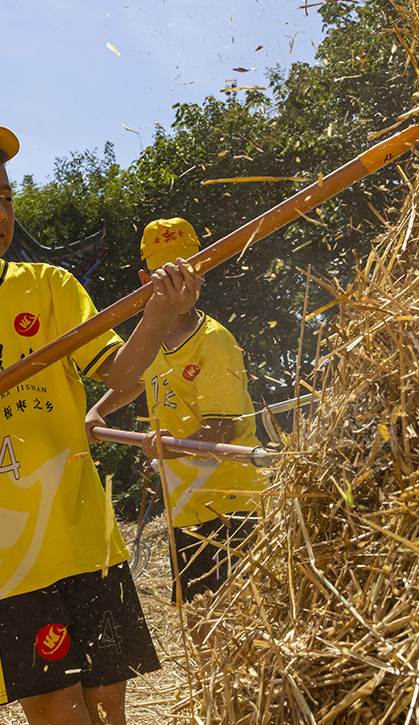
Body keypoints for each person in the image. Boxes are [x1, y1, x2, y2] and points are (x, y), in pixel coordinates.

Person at [0, 127, 201, 725]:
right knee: (57, 711)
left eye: (6, 196)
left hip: (86, 537)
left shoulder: (49, 288)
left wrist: (160, 314)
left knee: (109, 705)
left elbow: (122, 378)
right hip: (4, 555)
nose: (0, 212)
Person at [86, 218, 268, 621]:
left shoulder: (213, 341)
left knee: (235, 619)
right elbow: (135, 378)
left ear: (201, 276)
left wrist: (165, 446)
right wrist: (98, 410)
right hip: (185, 507)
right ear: (145, 281)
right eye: (164, 277)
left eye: (185, 275)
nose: (176, 287)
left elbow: (221, 429)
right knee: (200, 621)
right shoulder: (149, 339)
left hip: (230, 505)